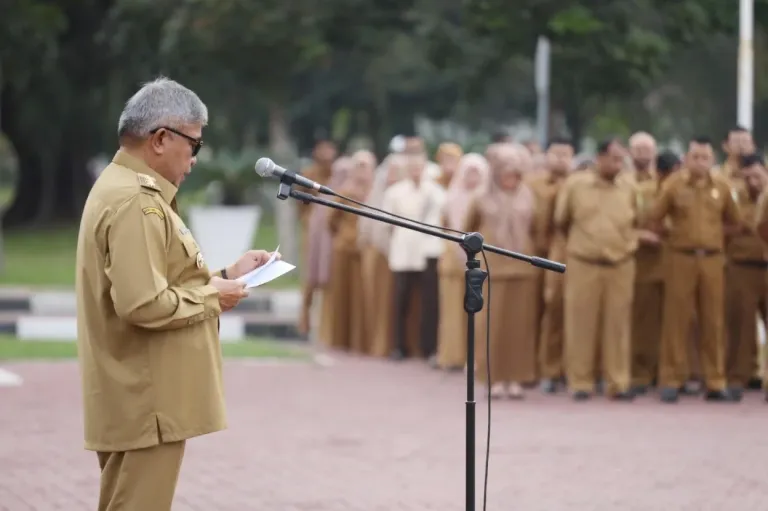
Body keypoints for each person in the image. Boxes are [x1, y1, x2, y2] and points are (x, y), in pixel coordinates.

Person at [76, 78, 277, 510]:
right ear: (161, 139)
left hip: (138, 395)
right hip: (147, 398)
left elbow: (156, 281)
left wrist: (225, 275)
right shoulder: (136, 201)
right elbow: (142, 303)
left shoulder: (125, 188)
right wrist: (213, 297)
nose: (194, 160)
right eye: (195, 145)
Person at [650, 136, 740, 403]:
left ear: (713, 160)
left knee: (713, 321)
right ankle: (671, 380)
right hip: (681, 257)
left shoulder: (722, 187)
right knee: (676, 320)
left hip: (712, 259)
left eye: (705, 157)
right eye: (695, 157)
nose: (700, 162)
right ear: (686, 159)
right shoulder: (673, 185)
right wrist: (675, 235)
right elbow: (654, 218)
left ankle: (715, 380)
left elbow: (735, 223)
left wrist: (714, 237)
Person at [555, 138, 637, 401]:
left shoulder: (629, 186)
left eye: (621, 159)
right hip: (584, 263)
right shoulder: (576, 185)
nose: (618, 165)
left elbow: (639, 219)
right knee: (580, 324)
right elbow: (561, 221)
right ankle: (580, 382)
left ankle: (618, 382)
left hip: (621, 264)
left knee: (618, 326)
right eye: (614, 159)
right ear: (599, 158)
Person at [465, 144, 539, 399]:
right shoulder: (481, 197)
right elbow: (467, 231)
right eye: (506, 174)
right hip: (492, 268)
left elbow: (538, 229)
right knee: (491, 327)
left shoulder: (528, 195)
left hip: (522, 269)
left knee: (519, 327)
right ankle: (492, 378)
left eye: (515, 175)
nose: (511, 180)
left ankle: (516, 378)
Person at [381, 136, 446, 360]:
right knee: (401, 301)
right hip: (403, 250)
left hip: (429, 250)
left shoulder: (436, 191)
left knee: (430, 302)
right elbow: (387, 224)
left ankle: (428, 347)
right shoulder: (395, 192)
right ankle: (399, 346)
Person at [527, 136, 575, 393]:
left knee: (571, 313)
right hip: (535, 257)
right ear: (546, 156)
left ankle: (569, 369)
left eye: (566, 154)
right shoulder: (533, 186)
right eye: (556, 154)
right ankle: (542, 368)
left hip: (568, 255)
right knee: (544, 314)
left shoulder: (580, 184)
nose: (561, 159)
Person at [435, 153, 491, 371]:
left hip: (480, 260)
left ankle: (476, 359)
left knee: (478, 310)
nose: (473, 178)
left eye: (477, 173)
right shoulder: (450, 197)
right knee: (452, 311)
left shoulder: (487, 199)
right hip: (452, 260)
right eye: (469, 172)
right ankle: (451, 356)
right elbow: (444, 226)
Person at [724, 153, 768, 400]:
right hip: (741, 268)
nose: (753, 182)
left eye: (758, 176)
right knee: (740, 327)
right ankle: (737, 379)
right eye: (747, 177)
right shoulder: (732, 198)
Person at [322, 156, 374, 352]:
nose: (362, 172)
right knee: (343, 294)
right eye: (359, 167)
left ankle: (362, 341)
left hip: (364, 250)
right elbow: (331, 220)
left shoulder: (374, 192)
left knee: (362, 295)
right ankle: (341, 340)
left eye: (366, 167)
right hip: (344, 249)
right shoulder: (345, 192)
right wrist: (343, 237)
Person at [359, 155, 407, 357]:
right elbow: (367, 229)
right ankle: (379, 345)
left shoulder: (407, 194)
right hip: (378, 257)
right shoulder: (375, 195)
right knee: (380, 303)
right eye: (391, 171)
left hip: (405, 257)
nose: (393, 176)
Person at [298, 139, 338, 335]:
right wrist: (307, 220)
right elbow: (299, 201)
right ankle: (304, 320)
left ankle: (327, 324)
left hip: (331, 233)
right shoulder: (309, 174)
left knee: (329, 274)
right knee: (310, 277)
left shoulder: (338, 176)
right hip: (313, 232)